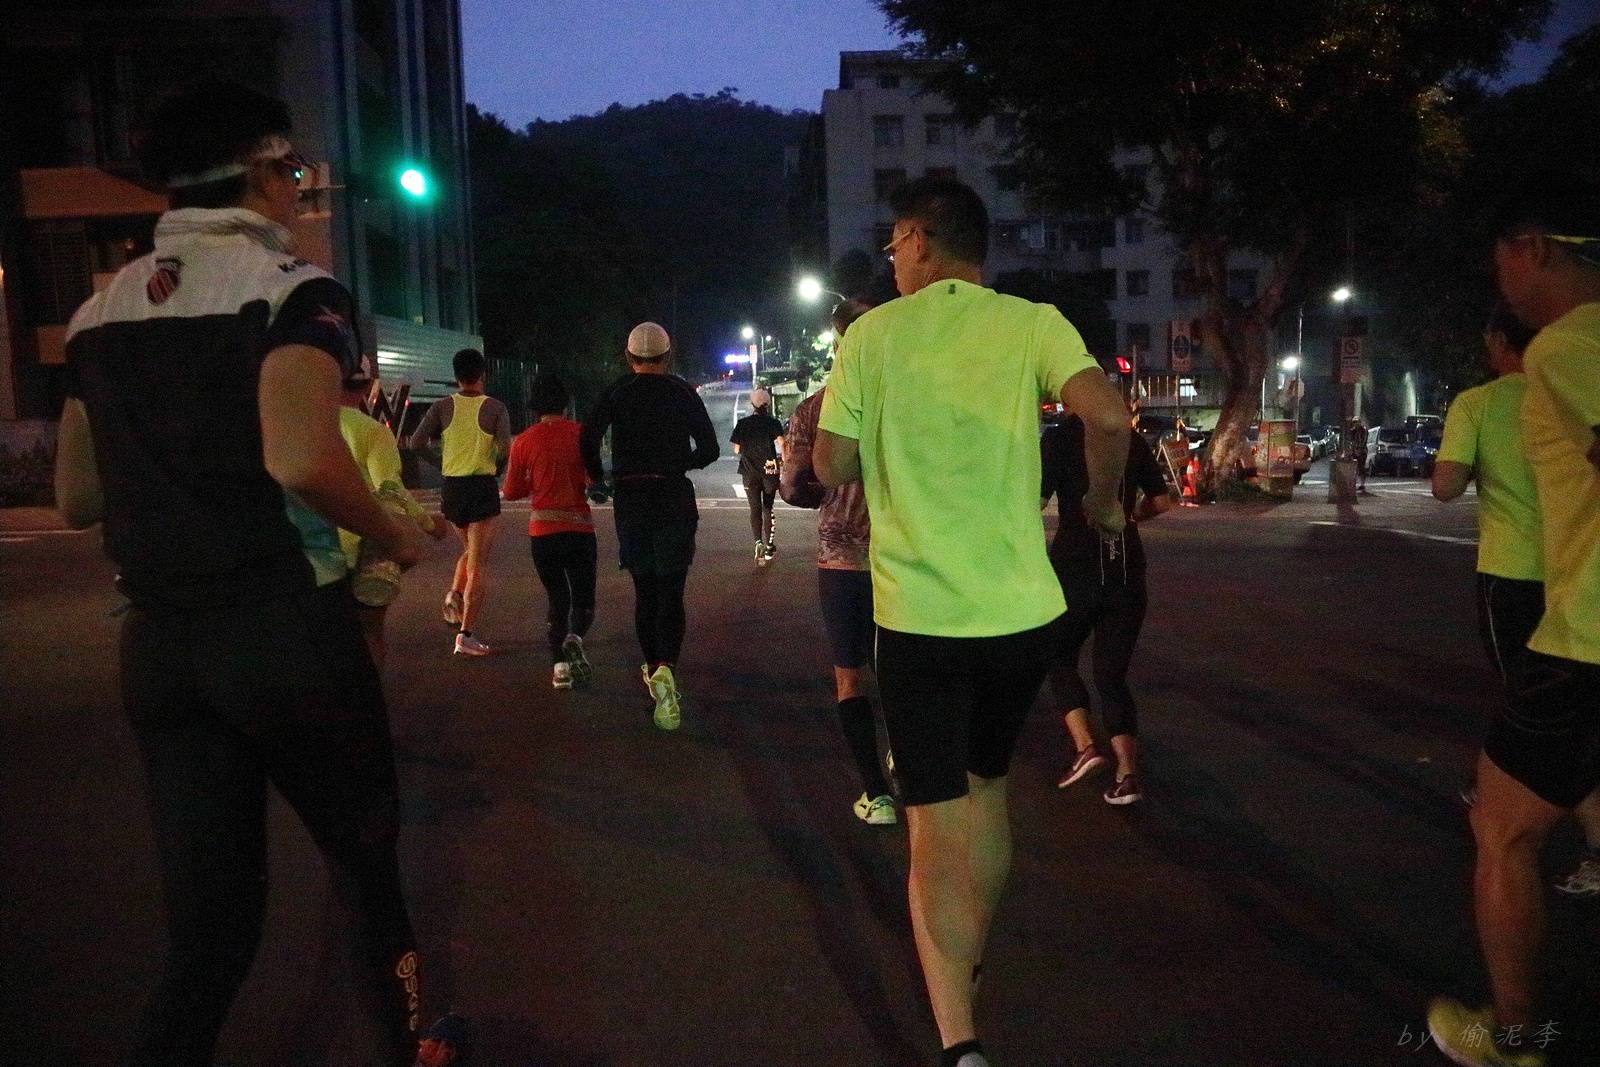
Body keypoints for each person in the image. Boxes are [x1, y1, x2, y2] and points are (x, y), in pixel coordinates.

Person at [50, 80, 456, 1067]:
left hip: (160, 645)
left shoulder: (97, 313)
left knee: (210, 924)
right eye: (297, 170)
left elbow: (77, 497)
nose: (302, 190)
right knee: (363, 860)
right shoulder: (292, 294)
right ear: (265, 170)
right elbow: (301, 455)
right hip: (281, 628)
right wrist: (394, 535)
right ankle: (411, 1045)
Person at [813, 177, 1130, 1067]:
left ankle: (960, 1039)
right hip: (1021, 617)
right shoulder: (1033, 323)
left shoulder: (873, 335)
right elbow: (1107, 414)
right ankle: (971, 951)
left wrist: (879, 440)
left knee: (933, 821)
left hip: (923, 620)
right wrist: (1103, 505)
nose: (891, 259)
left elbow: (830, 462)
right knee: (986, 786)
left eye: (894, 243)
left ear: (919, 238)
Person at [1427, 172, 1600, 1067]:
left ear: (1532, 249)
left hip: (1585, 636)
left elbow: (1446, 485)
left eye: (1502, 264)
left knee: (1502, 827)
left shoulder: (1570, 343)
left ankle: (1515, 1035)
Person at [780, 298, 895, 824]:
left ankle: (875, 793)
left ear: (838, 343)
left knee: (850, 677)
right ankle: (907, 759)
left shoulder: (815, 409)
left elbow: (793, 488)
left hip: (842, 560)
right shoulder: (901, 400)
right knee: (898, 672)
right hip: (902, 557)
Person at [580, 322, 719, 729]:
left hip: (632, 498)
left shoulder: (616, 392)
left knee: (645, 590)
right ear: (668, 355)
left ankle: (653, 666)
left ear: (629, 357)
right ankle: (667, 669)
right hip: (673, 495)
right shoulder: (682, 391)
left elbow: (587, 438)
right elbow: (709, 449)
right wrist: (679, 463)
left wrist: (598, 478)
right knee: (671, 591)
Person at [1045, 411, 1175, 805]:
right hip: (1126, 570)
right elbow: (1161, 501)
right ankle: (1127, 774)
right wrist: (1129, 516)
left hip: (1074, 569)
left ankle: (1086, 746)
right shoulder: (1129, 438)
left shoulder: (1058, 439)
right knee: (1112, 675)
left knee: (1057, 656)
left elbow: (1035, 501)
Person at [338, 369, 449, 666]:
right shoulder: (372, 431)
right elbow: (390, 489)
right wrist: (428, 523)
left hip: (313, 547)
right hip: (360, 546)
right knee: (370, 635)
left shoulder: (308, 428)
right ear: (366, 388)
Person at [406, 348, 511, 656]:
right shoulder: (495, 408)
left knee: (469, 549)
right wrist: (496, 469)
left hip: (452, 488)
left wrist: (443, 464)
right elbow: (505, 449)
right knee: (477, 561)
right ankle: (465, 635)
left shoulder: (441, 406)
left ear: (455, 377)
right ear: (483, 375)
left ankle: (454, 594)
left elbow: (415, 442)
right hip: (481, 486)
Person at [502, 374, 598, 690]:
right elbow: (594, 481)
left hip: (543, 532)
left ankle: (559, 668)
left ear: (535, 407)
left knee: (557, 598)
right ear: (565, 404)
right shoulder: (582, 434)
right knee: (583, 598)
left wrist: (535, 482)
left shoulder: (523, 441)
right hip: (579, 529)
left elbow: (511, 491)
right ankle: (575, 637)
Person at [730, 386, 785, 566]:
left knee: (754, 508)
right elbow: (782, 444)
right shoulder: (773, 423)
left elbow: (736, 449)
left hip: (749, 471)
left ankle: (758, 543)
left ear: (752, 404)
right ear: (767, 404)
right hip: (769, 471)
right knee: (767, 507)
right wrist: (784, 461)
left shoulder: (743, 424)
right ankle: (769, 546)